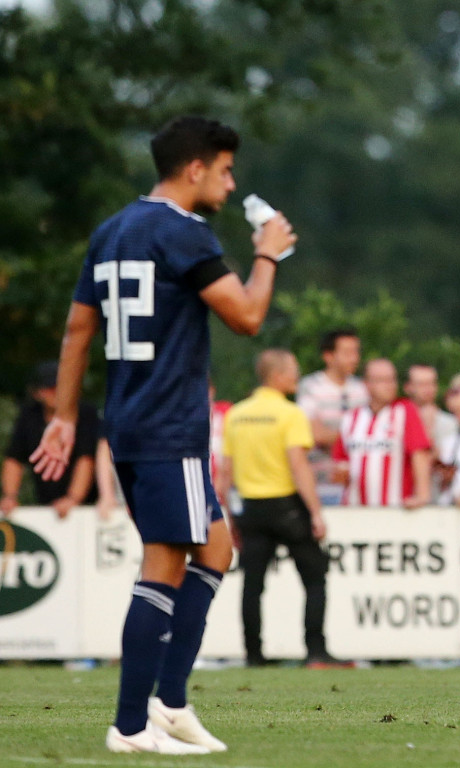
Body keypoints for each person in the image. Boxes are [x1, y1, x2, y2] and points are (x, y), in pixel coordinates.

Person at [30, 115, 296, 752]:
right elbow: (249, 317)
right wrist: (267, 251)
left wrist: (66, 415)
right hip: (167, 424)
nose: (232, 185)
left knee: (215, 550)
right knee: (165, 564)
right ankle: (128, 725)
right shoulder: (184, 234)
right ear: (195, 167)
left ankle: (171, 704)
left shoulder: (113, 230)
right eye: (226, 170)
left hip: (130, 420)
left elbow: (77, 331)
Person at [218, 350, 344, 668]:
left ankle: (253, 654)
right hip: (286, 505)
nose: (296, 377)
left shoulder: (236, 414)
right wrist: (315, 512)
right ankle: (315, 651)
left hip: (251, 508)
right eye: (292, 372)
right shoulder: (290, 414)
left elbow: (225, 473)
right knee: (315, 577)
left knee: (252, 584)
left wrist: (231, 516)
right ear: (277, 376)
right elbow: (298, 466)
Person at [3, 361, 100, 518]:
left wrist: (73, 498)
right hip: (45, 503)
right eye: (50, 388)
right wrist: (10, 496)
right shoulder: (29, 416)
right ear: (37, 392)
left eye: (60, 388)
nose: (56, 393)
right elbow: (14, 458)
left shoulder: (86, 413)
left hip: (89, 507)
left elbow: (86, 459)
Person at [332, 359, 432, 508]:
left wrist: (422, 495)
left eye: (391, 379)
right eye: (382, 380)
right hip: (355, 508)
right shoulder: (351, 418)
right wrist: (339, 474)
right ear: (366, 384)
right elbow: (340, 462)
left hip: (394, 507)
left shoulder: (404, 411)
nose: (389, 385)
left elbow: (420, 453)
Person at [297, 329, 369, 505]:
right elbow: (315, 434)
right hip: (321, 482)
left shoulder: (362, 388)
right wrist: (356, 438)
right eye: (347, 353)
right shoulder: (311, 386)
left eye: (356, 352)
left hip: (355, 484)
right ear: (328, 356)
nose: (354, 358)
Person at [405, 363, 460, 502]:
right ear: (408, 387)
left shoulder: (451, 423)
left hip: (438, 501)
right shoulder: (397, 420)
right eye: (421, 384)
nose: (428, 389)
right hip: (404, 498)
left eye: (431, 383)